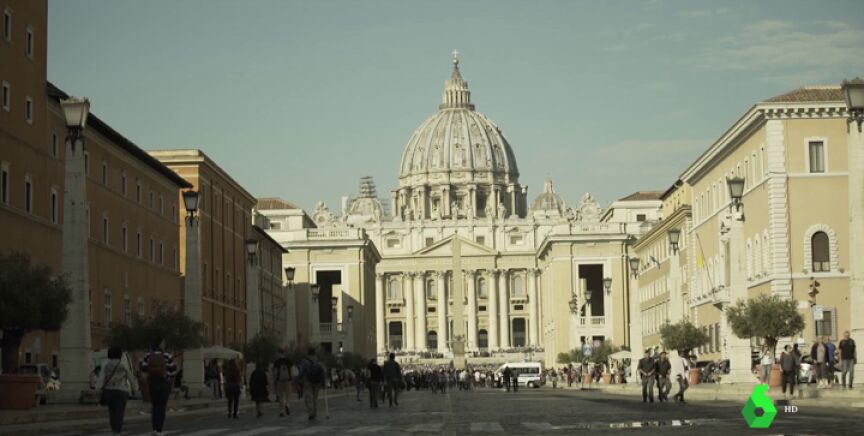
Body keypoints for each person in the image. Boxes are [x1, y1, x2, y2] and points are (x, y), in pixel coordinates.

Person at [139, 338, 177, 436]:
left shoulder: (148, 355)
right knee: (162, 407)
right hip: (164, 383)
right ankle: (159, 430)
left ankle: (154, 429)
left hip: (152, 383)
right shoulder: (167, 355)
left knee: (155, 406)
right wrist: (169, 379)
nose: (164, 344)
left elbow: (143, 369)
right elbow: (173, 370)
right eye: (163, 343)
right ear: (160, 344)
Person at [97, 346, 138, 436]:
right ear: (120, 354)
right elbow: (131, 377)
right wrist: (134, 388)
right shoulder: (123, 364)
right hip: (122, 391)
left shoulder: (105, 364)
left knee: (112, 411)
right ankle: (118, 431)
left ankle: (113, 430)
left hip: (109, 391)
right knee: (120, 411)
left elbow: (101, 377)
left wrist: (98, 388)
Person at [299, 347, 326, 420]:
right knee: (315, 397)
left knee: (308, 397)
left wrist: (299, 378)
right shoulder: (318, 361)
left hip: (308, 381)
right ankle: (315, 412)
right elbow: (323, 372)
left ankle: (311, 412)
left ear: (308, 352)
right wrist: (323, 383)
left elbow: (302, 371)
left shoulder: (304, 361)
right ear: (314, 353)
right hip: (317, 382)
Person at [273, 352, 293, 417]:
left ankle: (281, 411)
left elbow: (275, 372)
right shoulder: (288, 361)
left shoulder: (277, 362)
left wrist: (275, 380)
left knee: (280, 396)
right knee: (288, 395)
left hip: (279, 381)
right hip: (288, 380)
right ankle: (287, 405)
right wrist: (291, 378)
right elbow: (291, 371)